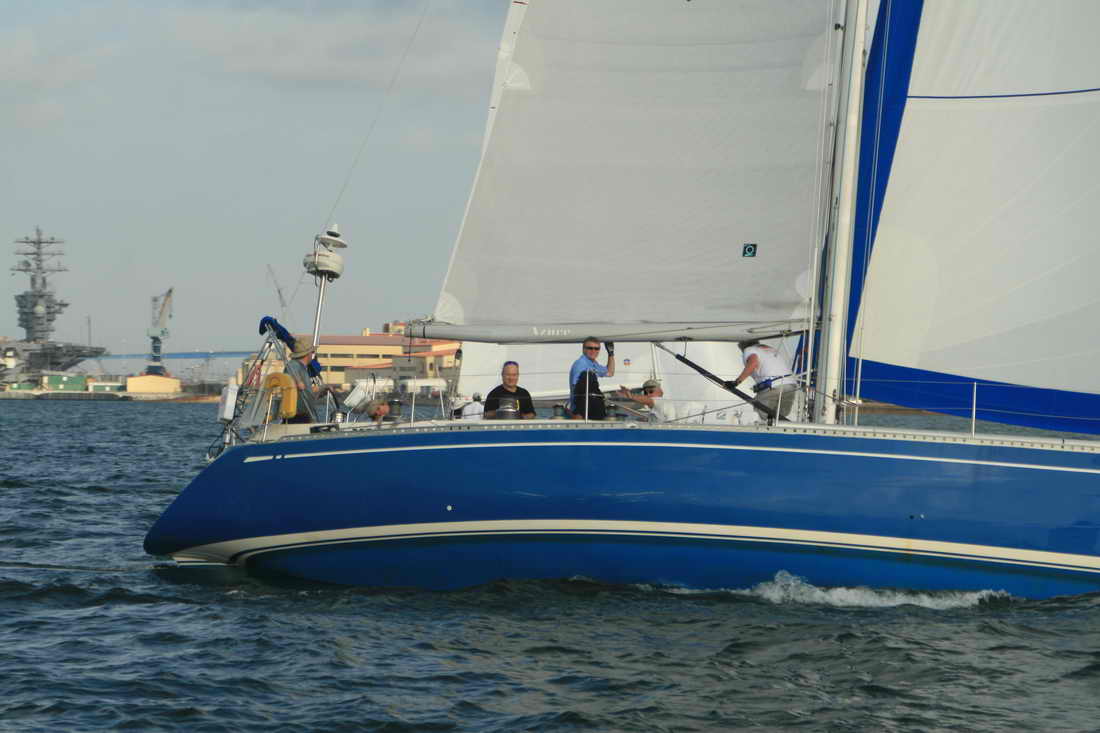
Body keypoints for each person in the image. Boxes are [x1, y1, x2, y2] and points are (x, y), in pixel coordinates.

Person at [732, 340, 798, 423]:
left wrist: (736, 382)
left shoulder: (749, 350)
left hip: (773, 386)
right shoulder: (770, 349)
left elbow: (753, 363)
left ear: (742, 346)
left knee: (759, 413)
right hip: (790, 385)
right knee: (780, 417)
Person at [568, 337, 615, 419]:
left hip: (591, 406)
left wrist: (610, 353)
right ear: (583, 349)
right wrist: (578, 414)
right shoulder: (581, 364)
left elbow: (610, 372)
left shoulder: (592, 363)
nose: (593, 351)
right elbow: (577, 389)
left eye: (597, 349)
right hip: (581, 410)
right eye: (590, 348)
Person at [283, 343, 324, 423]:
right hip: (296, 416)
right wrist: (299, 383)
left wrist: (320, 390)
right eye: (312, 352)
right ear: (307, 354)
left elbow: (305, 390)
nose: (313, 355)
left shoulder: (303, 368)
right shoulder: (293, 365)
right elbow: (298, 386)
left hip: (304, 414)